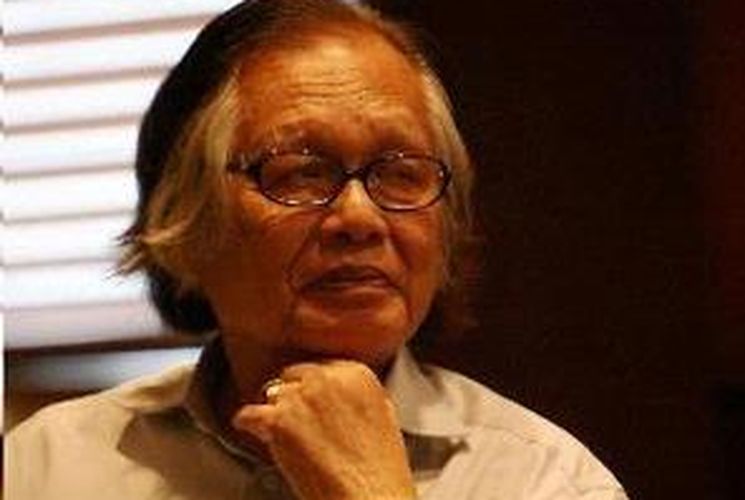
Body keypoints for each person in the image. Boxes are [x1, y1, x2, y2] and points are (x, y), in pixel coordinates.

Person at [5, 1, 628, 498]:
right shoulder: (45, 468)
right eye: (300, 172)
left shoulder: (549, 482)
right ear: (187, 220)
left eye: (401, 173)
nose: (359, 217)